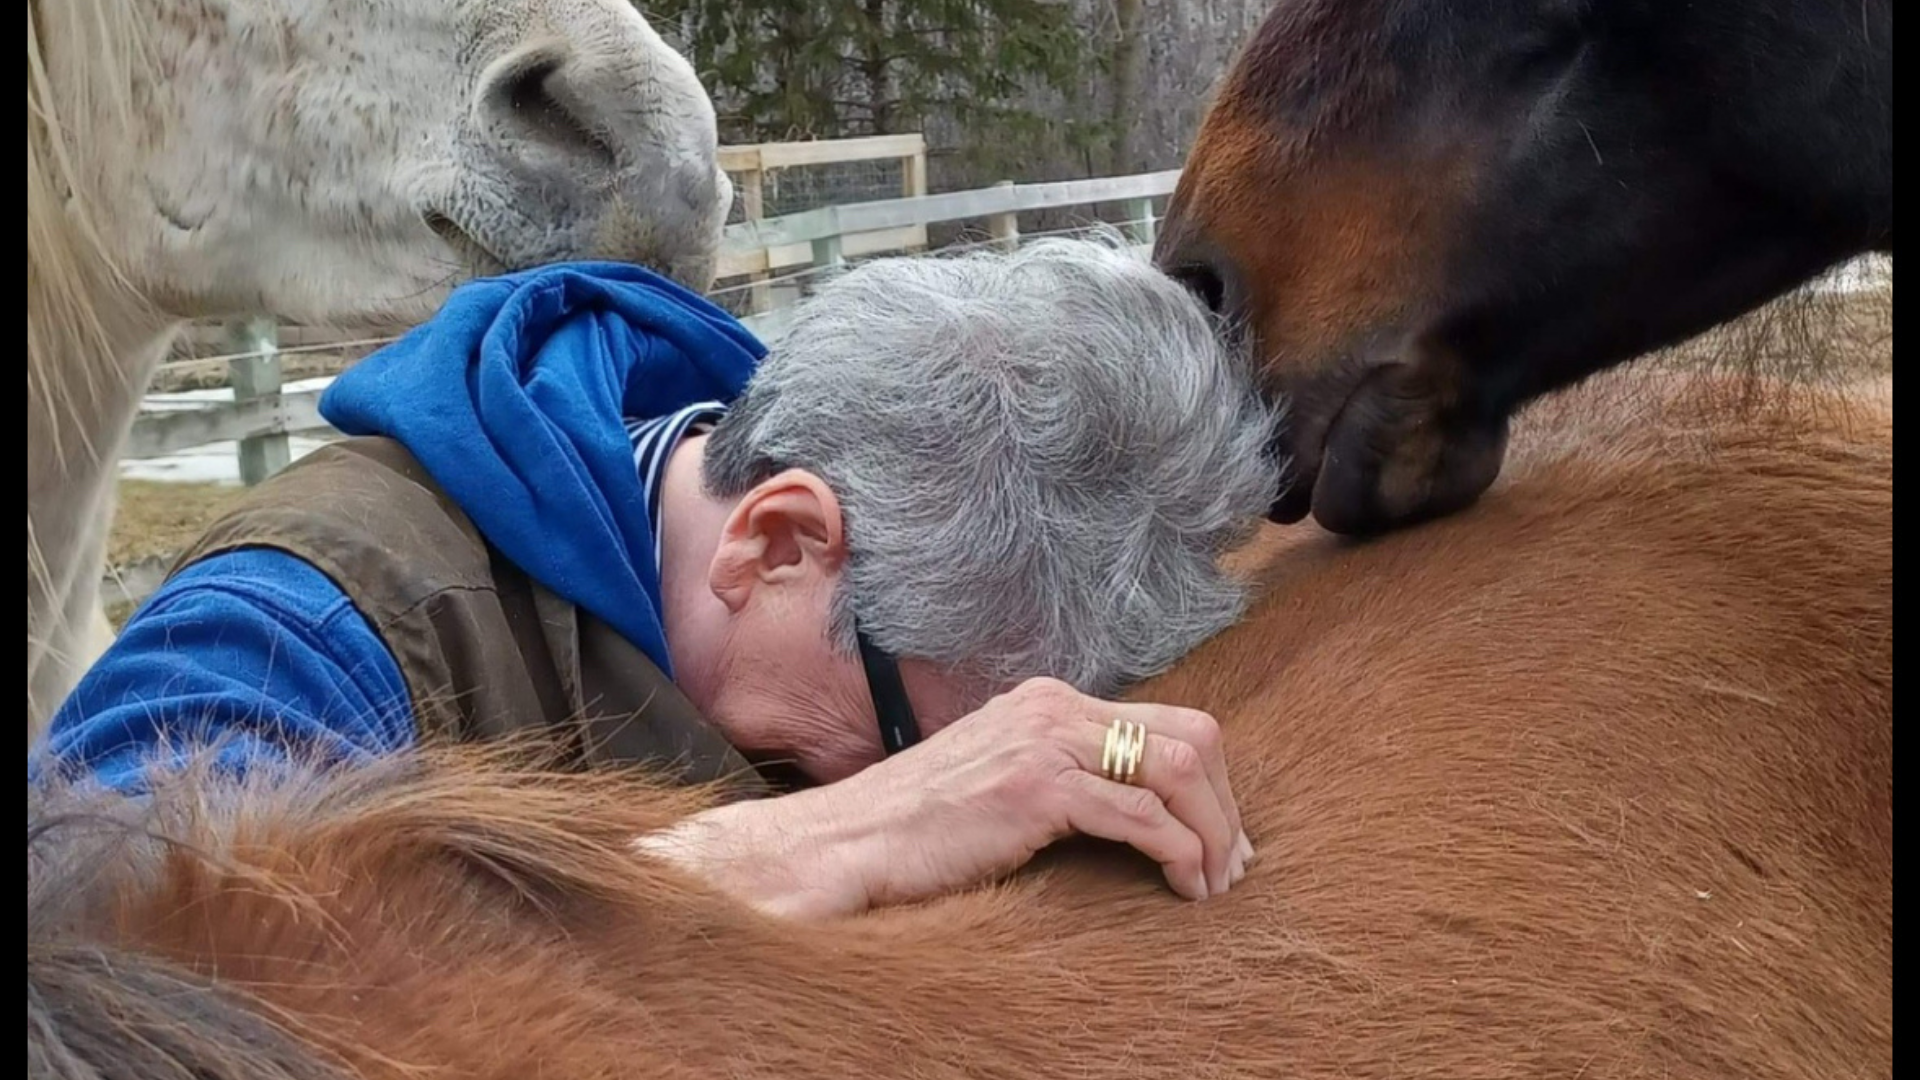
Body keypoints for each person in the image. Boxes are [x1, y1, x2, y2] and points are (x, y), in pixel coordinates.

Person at [29, 238, 1279, 919]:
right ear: (777, 542)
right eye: (913, 735)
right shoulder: (309, 619)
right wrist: (836, 831)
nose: (945, 774)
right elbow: (95, 950)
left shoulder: (831, 526)